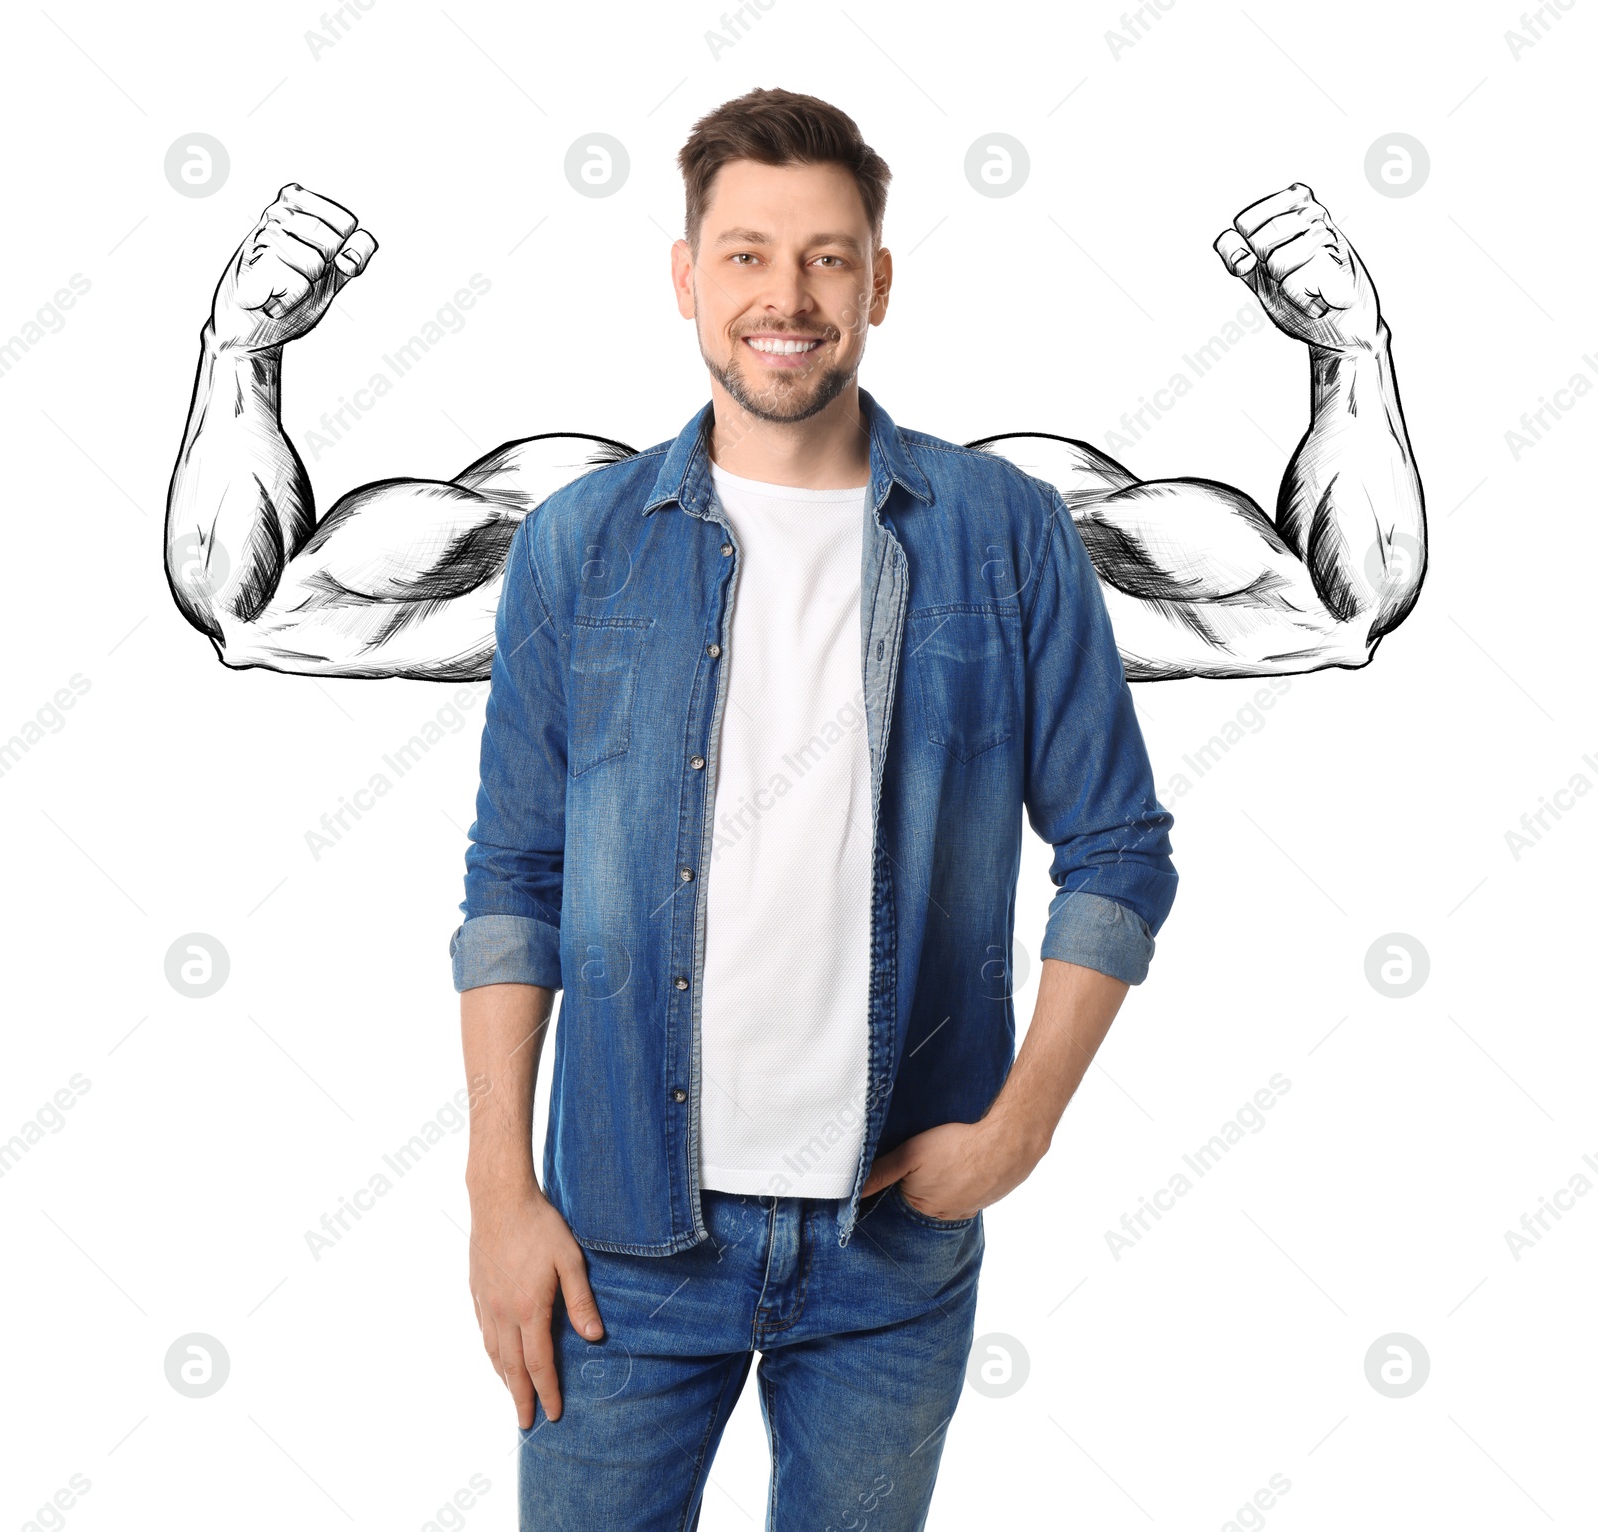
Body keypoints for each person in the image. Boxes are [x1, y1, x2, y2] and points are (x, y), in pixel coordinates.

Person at [162, 84, 1423, 1531]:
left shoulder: (1010, 530)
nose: (790, 295)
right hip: (618, 1240)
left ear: (880, 279)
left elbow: (1143, 826)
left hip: (894, 1247)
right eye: (749, 253)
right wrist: (495, 1196)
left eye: (829, 256)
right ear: (687, 276)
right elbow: (507, 871)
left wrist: (1021, 1130)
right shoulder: (572, 536)